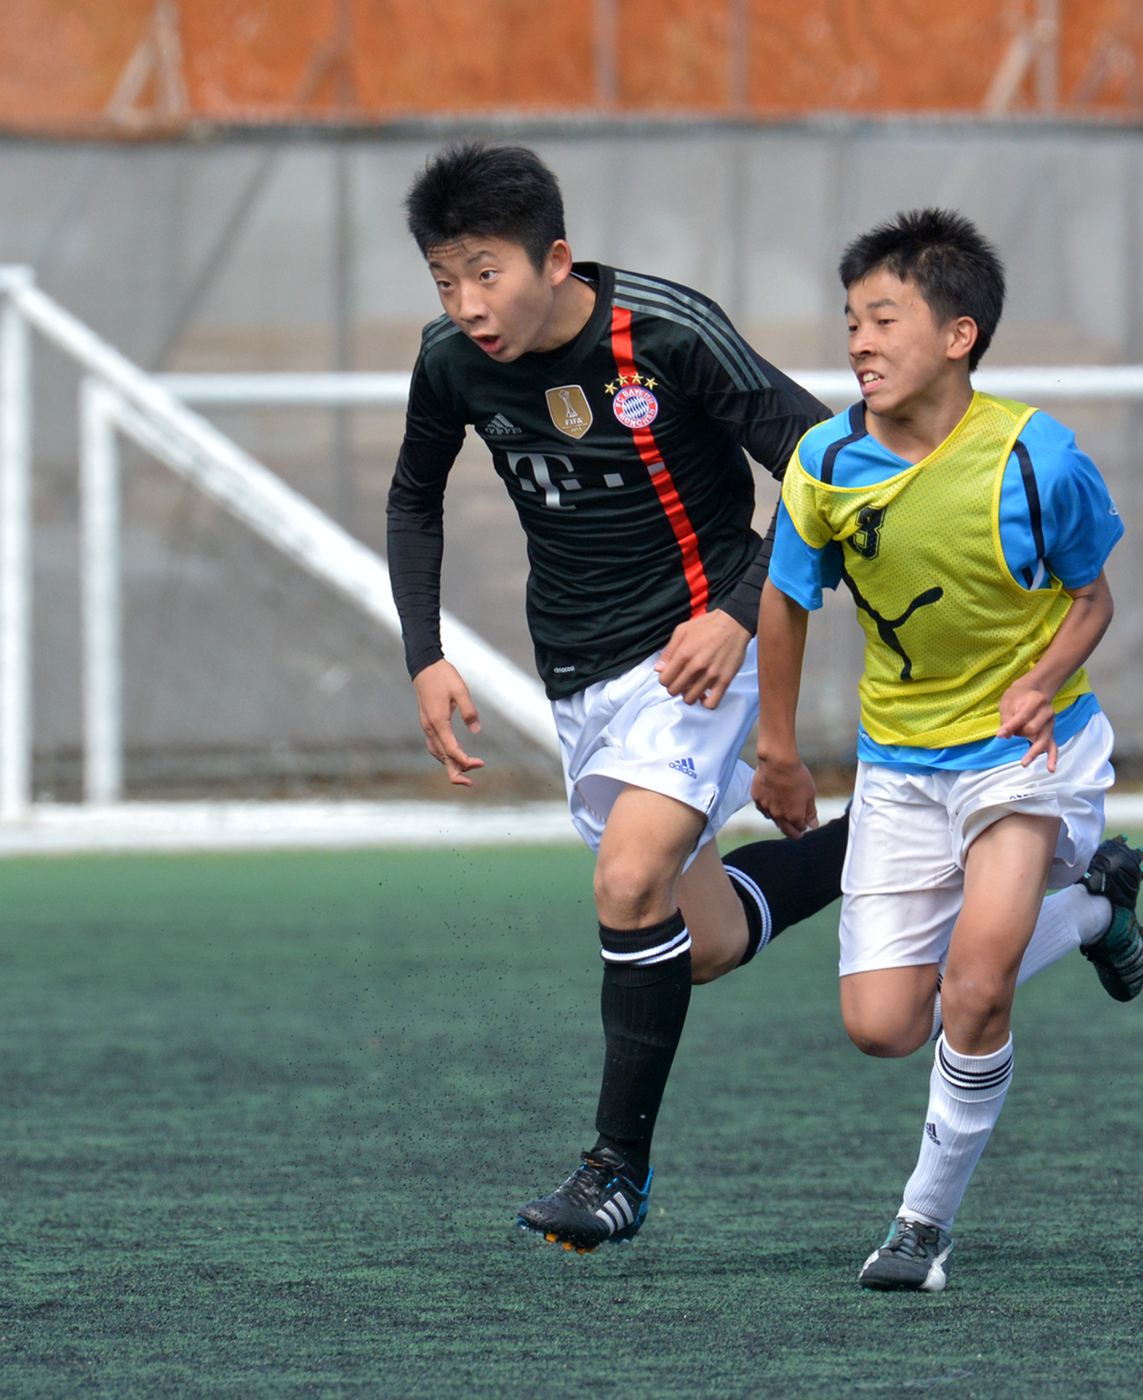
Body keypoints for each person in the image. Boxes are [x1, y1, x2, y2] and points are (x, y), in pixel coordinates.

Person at [386, 142, 849, 1253]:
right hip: (578, 671)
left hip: (697, 653)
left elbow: (828, 461)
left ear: (553, 259)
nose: (466, 303)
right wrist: (425, 654)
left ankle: (614, 1172)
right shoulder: (451, 360)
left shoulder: (668, 333)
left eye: (486, 273)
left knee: (628, 879)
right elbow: (413, 498)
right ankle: (904, 826)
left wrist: (738, 611)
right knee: (700, 941)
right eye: (445, 279)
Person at [751, 208, 1143, 1293]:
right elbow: (784, 600)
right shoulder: (824, 462)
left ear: (957, 334)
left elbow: (1092, 598)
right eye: (851, 320)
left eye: (884, 318)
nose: (859, 341)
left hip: (1027, 753)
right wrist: (776, 746)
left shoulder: (1036, 458)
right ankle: (1095, 913)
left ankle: (919, 1227)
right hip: (898, 766)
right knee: (884, 1024)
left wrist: (1039, 680)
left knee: (975, 988)